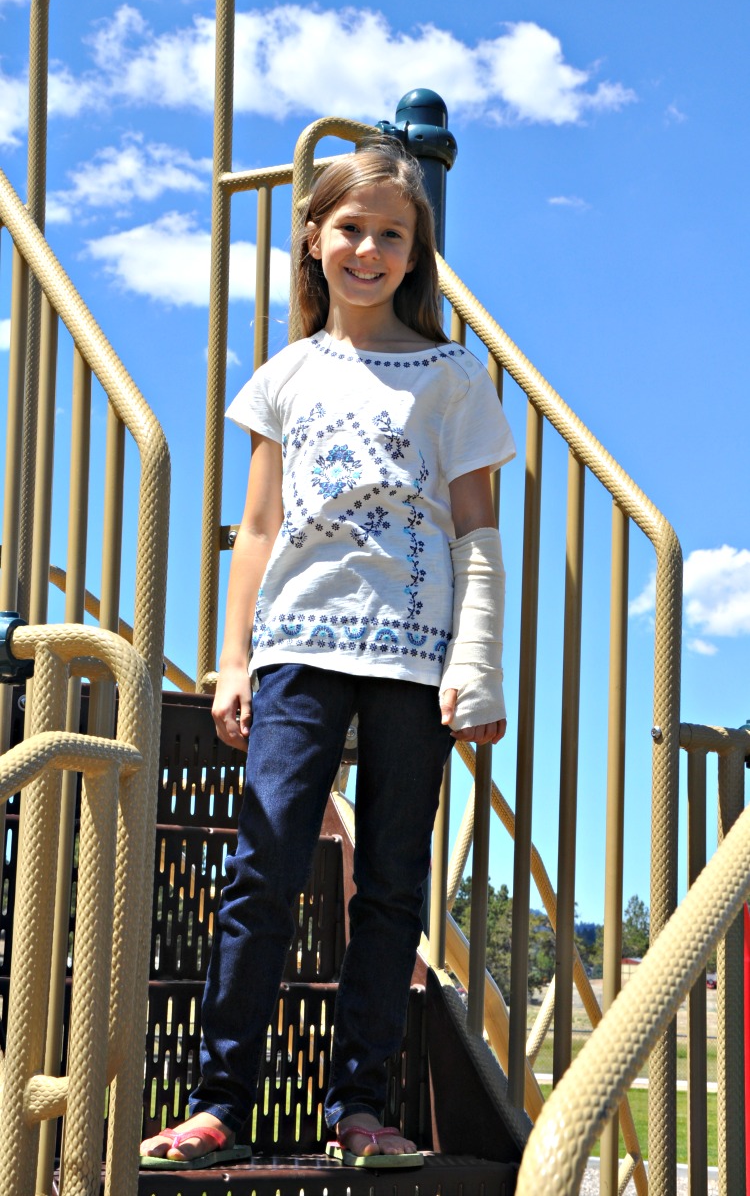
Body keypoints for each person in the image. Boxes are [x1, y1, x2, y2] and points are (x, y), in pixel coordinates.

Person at [140, 136, 515, 1171]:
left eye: (391, 234)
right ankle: (220, 1101)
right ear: (313, 239)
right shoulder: (285, 376)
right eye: (350, 228)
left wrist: (476, 662)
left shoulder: (450, 378)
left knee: (390, 884)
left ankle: (362, 1109)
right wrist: (232, 660)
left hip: (414, 662)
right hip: (298, 650)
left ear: (413, 253)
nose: (368, 248)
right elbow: (256, 531)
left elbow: (477, 535)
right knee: (261, 869)